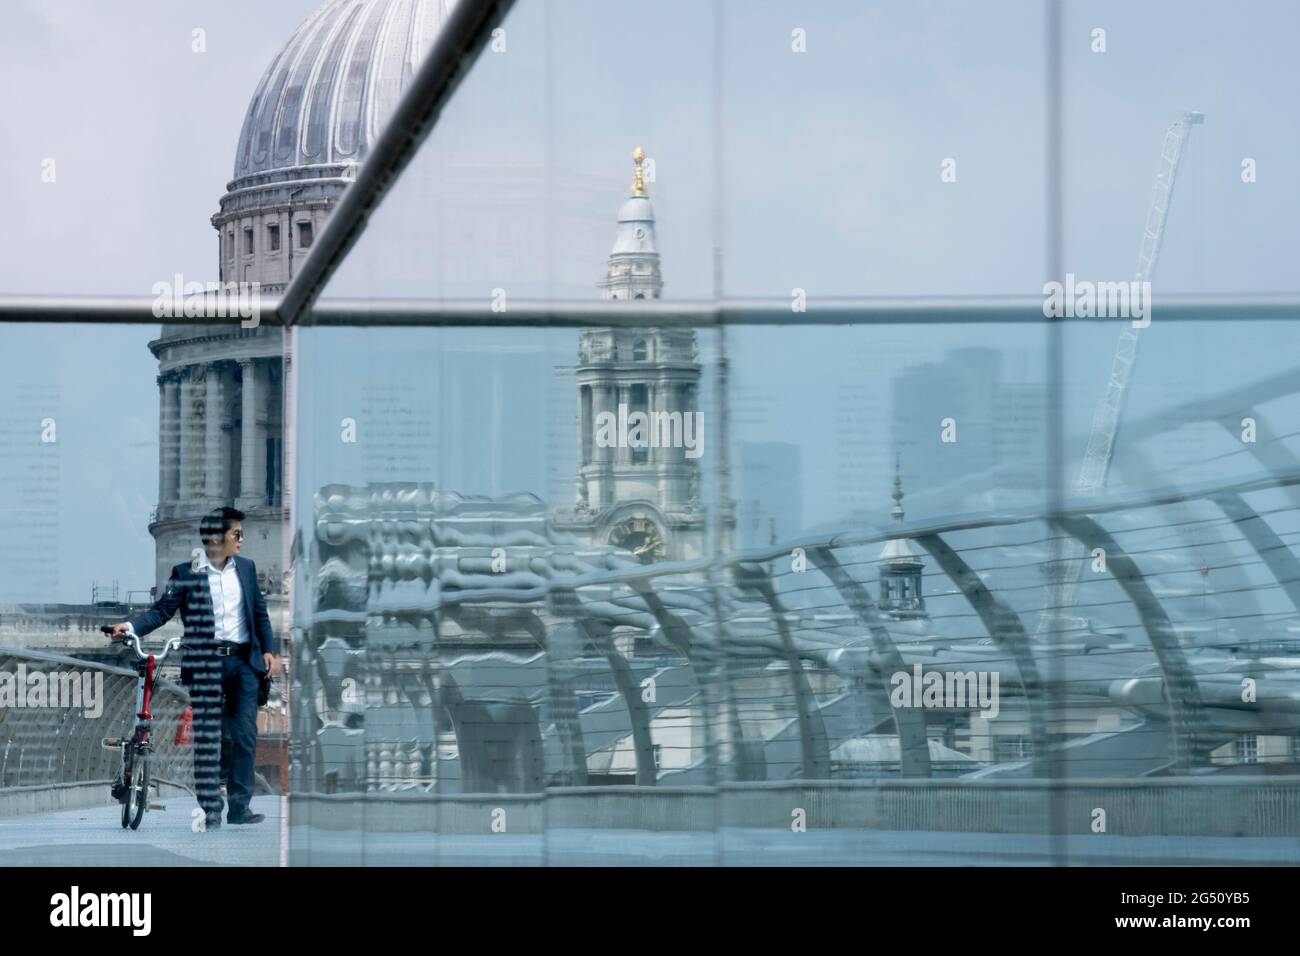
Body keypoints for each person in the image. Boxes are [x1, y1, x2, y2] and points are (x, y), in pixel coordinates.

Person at [110, 506, 280, 829]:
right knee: (208, 737)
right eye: (237, 535)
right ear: (217, 539)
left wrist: (269, 650)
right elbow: (161, 612)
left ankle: (240, 807)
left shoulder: (246, 568)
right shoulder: (185, 573)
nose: (242, 540)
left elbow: (260, 614)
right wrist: (130, 627)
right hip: (206, 664)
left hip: (244, 662)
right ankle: (211, 809)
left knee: (244, 734)